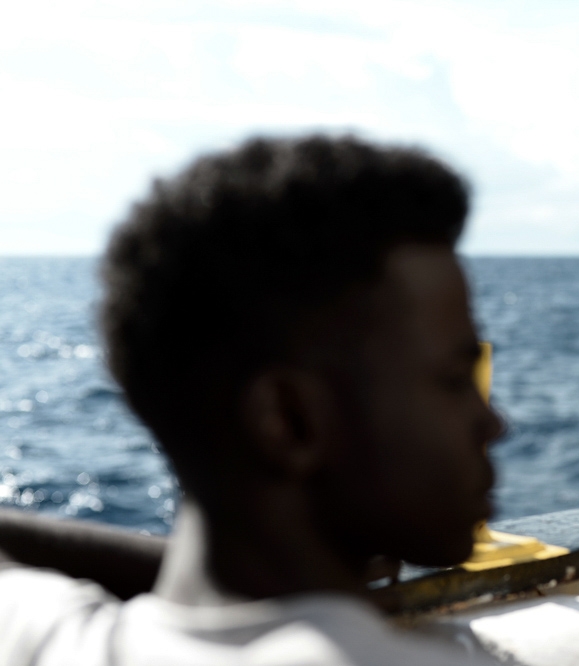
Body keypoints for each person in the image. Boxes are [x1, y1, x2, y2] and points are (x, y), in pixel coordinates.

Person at [0, 135, 503, 665]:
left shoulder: (45, 638)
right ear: (286, 420)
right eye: (451, 380)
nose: (491, 423)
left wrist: (221, 563)